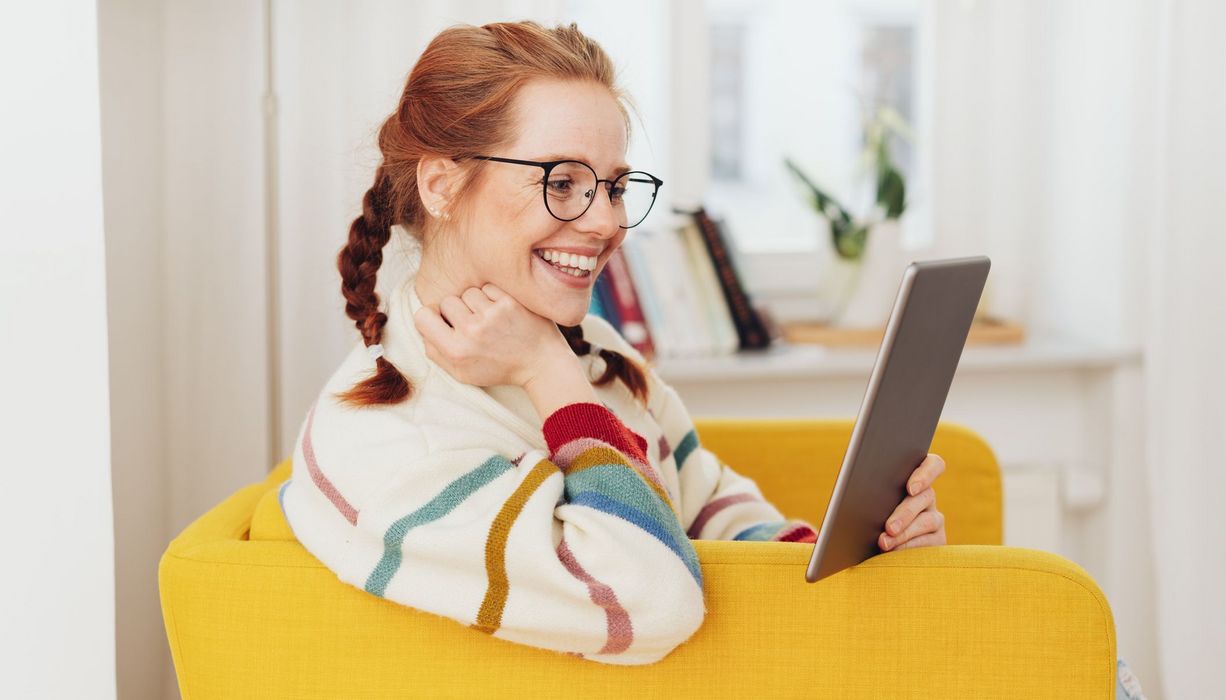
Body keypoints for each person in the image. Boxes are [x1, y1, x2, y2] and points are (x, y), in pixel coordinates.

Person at [278, 19, 950, 666]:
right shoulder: (386, 441)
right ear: (441, 184)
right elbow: (649, 603)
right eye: (562, 182)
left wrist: (861, 559)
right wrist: (548, 372)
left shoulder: (597, 351)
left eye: (617, 187)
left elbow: (707, 503)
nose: (606, 223)